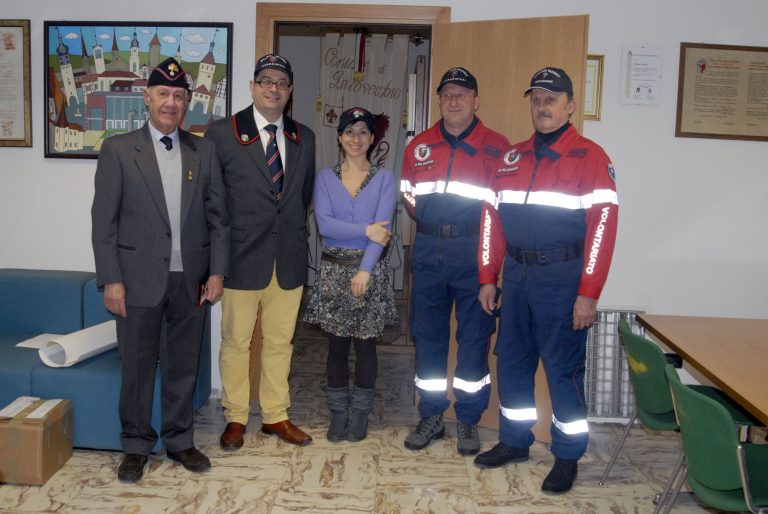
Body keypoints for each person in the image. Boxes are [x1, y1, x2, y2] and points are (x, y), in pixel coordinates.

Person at [474, 66, 619, 493]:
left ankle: (567, 455)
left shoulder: (591, 157)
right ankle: (515, 441)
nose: (542, 106)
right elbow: (491, 221)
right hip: (516, 277)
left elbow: (603, 231)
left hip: (563, 278)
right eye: (537, 99)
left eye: (552, 99)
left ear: (570, 105)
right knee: (514, 363)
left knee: (563, 370)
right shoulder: (511, 157)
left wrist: (588, 293)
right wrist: (488, 276)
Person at [91, 57, 229, 483]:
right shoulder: (118, 150)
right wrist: (111, 279)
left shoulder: (202, 151)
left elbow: (217, 219)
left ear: (187, 102)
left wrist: (217, 272)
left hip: (190, 281)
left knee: (182, 366)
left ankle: (180, 441)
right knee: (136, 368)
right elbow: (104, 223)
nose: (171, 102)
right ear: (147, 97)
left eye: (179, 96)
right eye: (164, 94)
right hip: (135, 282)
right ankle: (135, 445)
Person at [205, 54, 316, 449]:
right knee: (235, 342)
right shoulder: (222, 133)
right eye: (266, 81)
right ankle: (235, 416)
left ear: (289, 92)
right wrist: (213, 264)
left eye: (282, 83)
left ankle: (275, 415)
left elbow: (302, 199)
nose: (273, 89)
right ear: (252, 87)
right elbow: (212, 203)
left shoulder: (305, 137)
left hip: (286, 259)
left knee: (280, 343)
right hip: (239, 259)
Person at [400, 67, 510, 456]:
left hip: (474, 256)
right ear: (440, 100)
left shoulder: (498, 147)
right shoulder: (420, 146)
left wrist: (489, 267)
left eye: (462, 93)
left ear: (476, 100)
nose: (453, 100)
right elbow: (410, 198)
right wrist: (436, 225)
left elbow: (501, 210)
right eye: (447, 93)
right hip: (429, 251)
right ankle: (431, 415)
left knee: (474, 341)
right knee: (427, 338)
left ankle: (468, 418)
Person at [303, 107, 398, 443]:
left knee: (367, 347)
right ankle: (338, 413)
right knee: (337, 348)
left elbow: (383, 232)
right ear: (340, 137)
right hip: (332, 272)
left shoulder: (385, 179)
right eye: (349, 132)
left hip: (367, 273)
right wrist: (365, 228)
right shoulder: (325, 178)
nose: (356, 139)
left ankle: (360, 415)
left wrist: (364, 271)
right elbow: (325, 225)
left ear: (372, 138)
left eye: (363, 132)